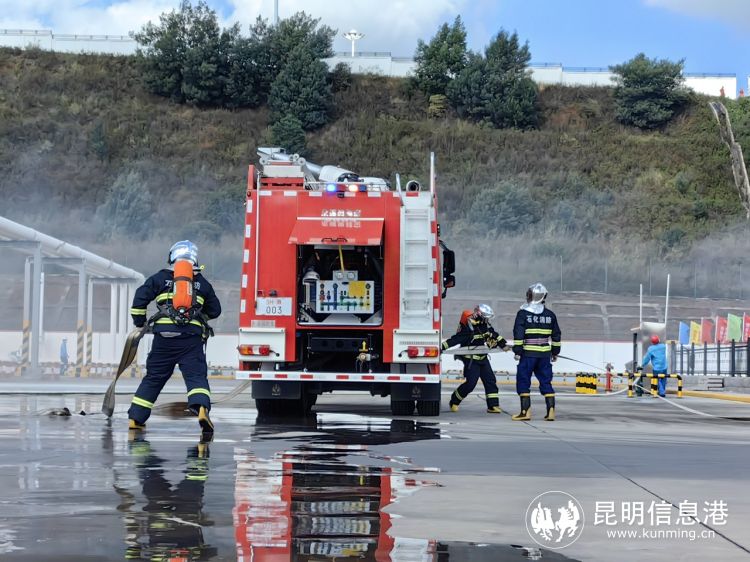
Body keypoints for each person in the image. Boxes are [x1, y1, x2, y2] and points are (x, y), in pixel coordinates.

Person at [128, 241, 221, 434]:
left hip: (164, 339)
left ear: (171, 257)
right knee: (196, 377)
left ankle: (136, 418)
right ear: (194, 259)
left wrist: (140, 321)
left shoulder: (160, 278)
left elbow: (140, 298)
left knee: (154, 378)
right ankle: (201, 409)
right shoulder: (201, 282)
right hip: (191, 339)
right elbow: (215, 310)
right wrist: (198, 316)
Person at [441, 304, 508, 414]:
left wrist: (503, 344)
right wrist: (441, 347)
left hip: (483, 358)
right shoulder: (469, 328)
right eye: (486, 318)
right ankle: (454, 401)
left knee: (490, 380)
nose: (487, 320)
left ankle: (493, 406)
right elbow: (455, 340)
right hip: (471, 360)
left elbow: (494, 335)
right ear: (480, 316)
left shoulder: (484, 325)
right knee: (471, 384)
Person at [511, 283, 561, 421]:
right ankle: (551, 411)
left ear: (530, 295)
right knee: (546, 381)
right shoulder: (550, 315)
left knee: (523, 380)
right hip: (544, 354)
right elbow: (556, 335)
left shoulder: (523, 314)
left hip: (528, 354)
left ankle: (525, 412)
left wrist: (517, 351)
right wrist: (555, 352)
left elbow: (518, 334)